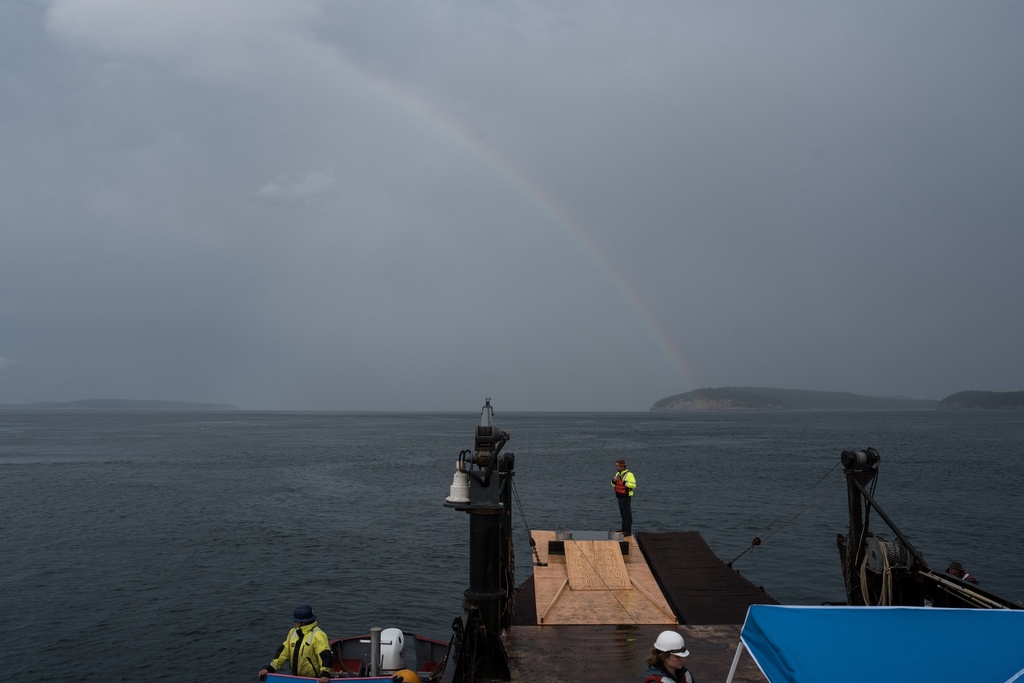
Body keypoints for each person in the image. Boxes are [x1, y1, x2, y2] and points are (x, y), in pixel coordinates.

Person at [259, 605, 333, 682]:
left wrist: (325, 673)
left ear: (303, 622)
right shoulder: (293, 632)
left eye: (296, 621)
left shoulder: (318, 635)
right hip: (296, 679)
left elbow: (325, 656)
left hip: (313, 679)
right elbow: (283, 653)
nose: (294, 622)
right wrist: (270, 668)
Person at [611, 458, 637, 537]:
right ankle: (623, 528)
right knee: (622, 513)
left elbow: (633, 485)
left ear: (623, 466)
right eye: (617, 466)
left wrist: (624, 482)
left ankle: (627, 531)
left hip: (626, 496)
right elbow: (613, 484)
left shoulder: (629, 474)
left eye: (618, 466)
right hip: (619, 496)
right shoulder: (618, 474)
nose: (617, 468)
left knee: (627, 514)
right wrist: (614, 480)